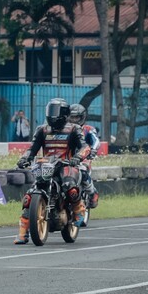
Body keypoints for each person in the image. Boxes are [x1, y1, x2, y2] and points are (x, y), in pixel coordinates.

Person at [14, 98, 91, 244]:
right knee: (29, 196)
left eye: (56, 112)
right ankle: (22, 233)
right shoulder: (42, 130)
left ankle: (78, 209)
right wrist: (24, 159)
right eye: (51, 111)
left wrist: (77, 157)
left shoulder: (74, 129)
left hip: (66, 165)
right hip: (46, 165)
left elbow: (85, 147)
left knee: (69, 186)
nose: (53, 115)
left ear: (64, 113)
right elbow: (32, 149)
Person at [68, 103, 100, 210]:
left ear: (82, 117)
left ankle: (92, 193)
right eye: (71, 117)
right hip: (67, 158)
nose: (73, 120)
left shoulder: (88, 129)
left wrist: (93, 150)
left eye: (76, 117)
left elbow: (96, 140)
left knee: (82, 170)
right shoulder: (65, 129)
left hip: (84, 157)